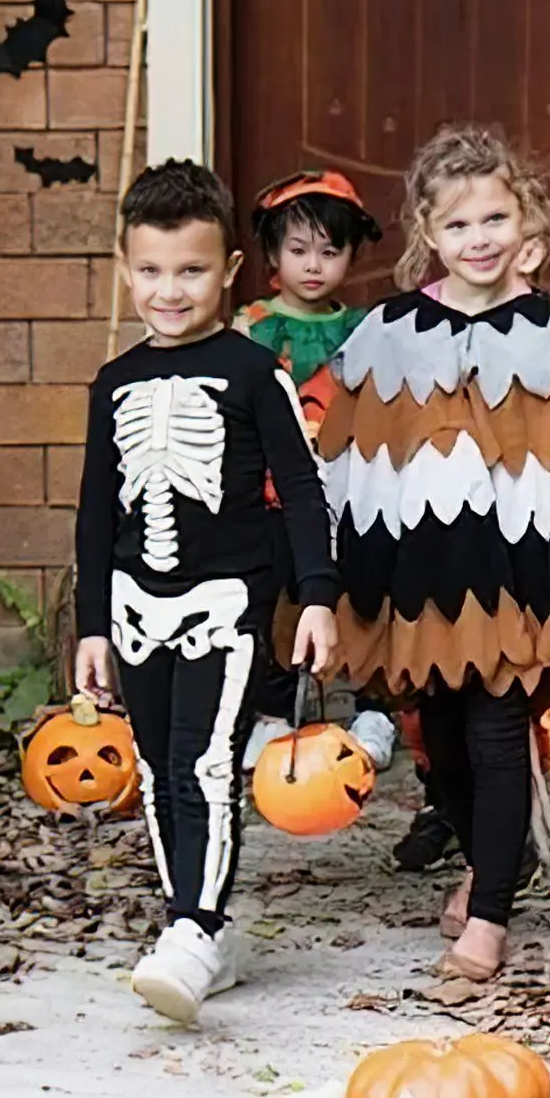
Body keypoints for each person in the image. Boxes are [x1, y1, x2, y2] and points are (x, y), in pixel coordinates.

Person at [318, 124, 550, 980]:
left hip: (516, 581)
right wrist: (339, 583)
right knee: (446, 744)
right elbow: (351, 469)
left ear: (527, 222)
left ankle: (491, 916)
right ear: (429, 231)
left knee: (500, 733)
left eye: (496, 218)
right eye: (459, 225)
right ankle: (490, 859)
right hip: (423, 582)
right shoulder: (385, 337)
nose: (478, 239)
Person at [73, 159, 339, 1025]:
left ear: (227, 272)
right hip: (132, 605)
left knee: (207, 760)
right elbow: (94, 512)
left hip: (225, 600)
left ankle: (194, 924)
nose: (169, 290)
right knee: (156, 768)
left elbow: (301, 489)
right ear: (125, 268)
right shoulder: (113, 382)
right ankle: (196, 929)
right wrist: (90, 626)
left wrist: (319, 598)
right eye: (150, 270)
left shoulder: (252, 371)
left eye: (190, 270)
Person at [230, 170, 399, 773]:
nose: (313, 266)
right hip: (273, 496)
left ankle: (374, 707)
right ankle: (276, 713)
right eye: (298, 251)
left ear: (352, 254)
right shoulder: (249, 327)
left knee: (361, 595)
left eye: (330, 251)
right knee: (272, 602)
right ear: (272, 252)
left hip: (348, 490)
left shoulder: (362, 331)